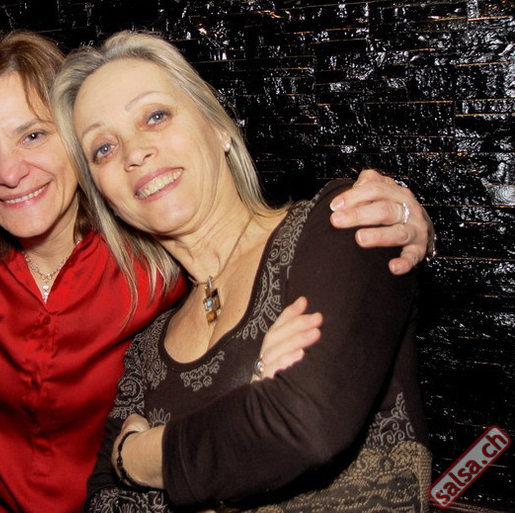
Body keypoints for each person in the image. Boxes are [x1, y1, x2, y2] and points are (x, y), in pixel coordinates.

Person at [0, 32, 433, 513]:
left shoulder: (153, 259)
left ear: (75, 146)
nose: (9, 172)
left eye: (34, 135)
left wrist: (398, 215)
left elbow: (245, 246)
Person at [52, 31, 432, 512]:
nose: (133, 153)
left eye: (155, 116)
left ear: (219, 130)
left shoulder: (337, 224)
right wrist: (249, 416)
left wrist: (136, 457)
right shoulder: (145, 351)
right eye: (103, 148)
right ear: (103, 195)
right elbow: (104, 504)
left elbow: (303, 427)